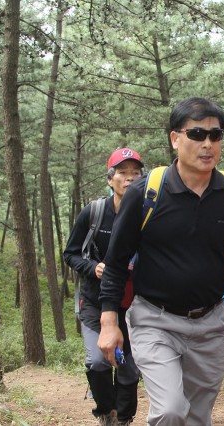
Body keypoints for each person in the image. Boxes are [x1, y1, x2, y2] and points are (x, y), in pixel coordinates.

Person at [97, 97, 224, 426]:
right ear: (175, 139)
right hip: (154, 321)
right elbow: (116, 262)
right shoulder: (146, 193)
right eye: (197, 134)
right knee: (171, 410)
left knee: (197, 416)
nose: (207, 144)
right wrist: (108, 323)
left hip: (210, 323)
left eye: (215, 136)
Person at [64, 147, 143, 426]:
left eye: (136, 173)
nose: (130, 178)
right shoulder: (94, 212)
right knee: (98, 362)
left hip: (135, 306)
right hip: (96, 303)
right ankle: (106, 411)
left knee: (128, 369)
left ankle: (123, 417)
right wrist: (93, 267)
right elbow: (70, 253)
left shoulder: (148, 215)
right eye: (123, 173)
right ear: (111, 179)